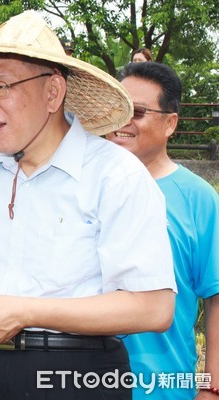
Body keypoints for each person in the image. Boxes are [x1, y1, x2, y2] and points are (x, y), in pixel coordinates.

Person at [0, 10, 176, 399]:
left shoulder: (115, 175)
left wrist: (26, 312)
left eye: (1, 86)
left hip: (75, 373)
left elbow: (153, 308)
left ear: (53, 91)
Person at [108, 61, 219, 399]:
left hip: (165, 388)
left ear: (171, 123)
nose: (123, 122)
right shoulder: (82, 189)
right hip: (78, 382)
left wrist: (211, 389)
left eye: (137, 112)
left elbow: (215, 299)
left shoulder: (198, 198)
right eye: (118, 109)